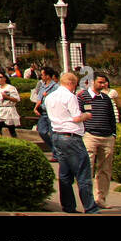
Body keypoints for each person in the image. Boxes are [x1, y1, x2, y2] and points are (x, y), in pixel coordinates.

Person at [44, 71, 99, 214]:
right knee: (83, 172)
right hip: (71, 136)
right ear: (71, 83)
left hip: (56, 135)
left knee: (65, 173)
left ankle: (68, 206)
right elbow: (76, 117)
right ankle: (90, 207)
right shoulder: (70, 96)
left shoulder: (50, 97)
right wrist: (87, 115)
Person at [78, 73, 120, 209]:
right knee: (87, 168)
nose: (104, 85)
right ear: (92, 82)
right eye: (101, 82)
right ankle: (88, 201)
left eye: (105, 82)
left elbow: (111, 117)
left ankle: (101, 198)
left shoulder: (106, 98)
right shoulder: (82, 96)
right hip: (90, 136)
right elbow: (77, 114)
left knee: (105, 170)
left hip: (107, 137)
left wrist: (113, 133)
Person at [32, 67, 60, 160]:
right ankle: (53, 149)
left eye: (42, 74)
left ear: (48, 76)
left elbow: (57, 99)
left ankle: (56, 154)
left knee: (53, 134)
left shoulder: (56, 87)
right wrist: (36, 108)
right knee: (42, 131)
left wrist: (48, 95)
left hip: (51, 113)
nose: (41, 76)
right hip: (43, 112)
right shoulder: (42, 86)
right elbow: (39, 98)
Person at [0, 72, 20, 138]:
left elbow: (17, 99)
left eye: (0, 77)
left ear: (4, 78)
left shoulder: (10, 88)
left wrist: (7, 97)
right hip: (0, 110)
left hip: (9, 110)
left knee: (11, 129)